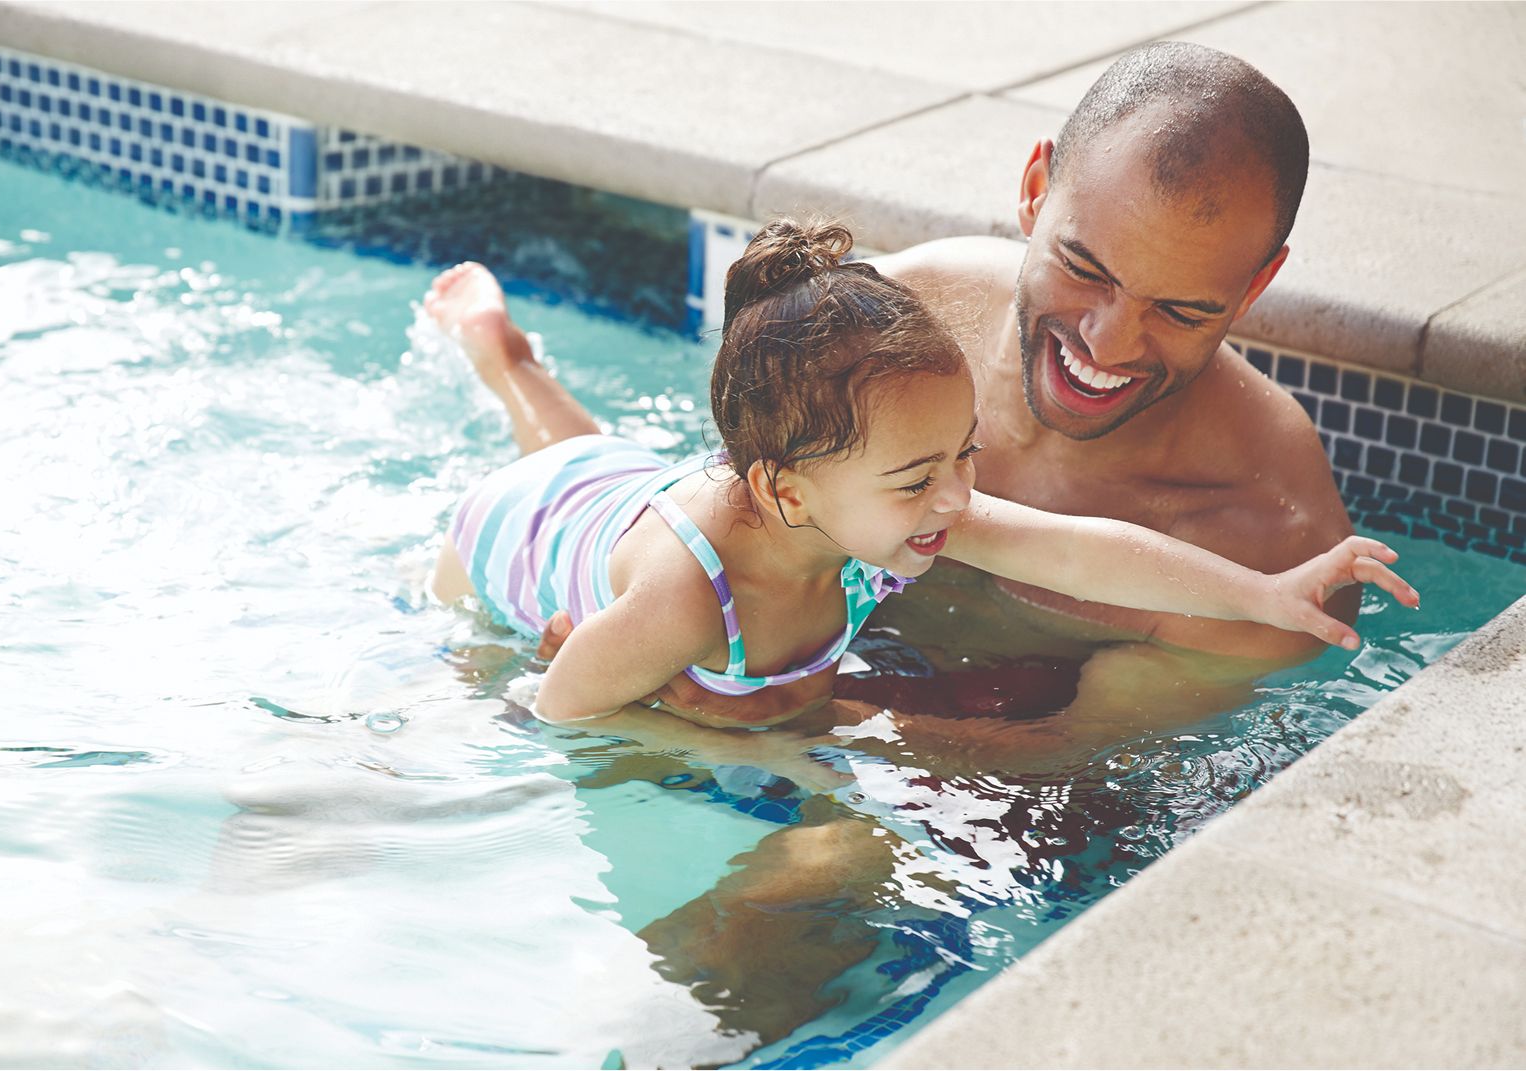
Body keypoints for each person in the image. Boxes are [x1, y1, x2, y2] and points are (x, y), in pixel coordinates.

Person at [420, 41, 1364, 1048]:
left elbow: (1063, 763)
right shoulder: (907, 333)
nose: (1107, 343)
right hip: (572, 548)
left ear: (1257, 283)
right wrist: (720, 721)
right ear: (1034, 192)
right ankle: (508, 364)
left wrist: (798, 721)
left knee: (806, 901)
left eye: (1181, 310)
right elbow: (588, 661)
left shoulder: (1266, 539)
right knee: (651, 525)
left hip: (832, 671)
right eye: (1083, 268)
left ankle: (503, 359)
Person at [429, 219, 1415, 726]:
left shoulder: (876, 505)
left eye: (963, 457)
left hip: (624, 494)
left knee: (600, 462)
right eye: (916, 478)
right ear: (786, 491)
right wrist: (696, 731)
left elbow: (1085, 557)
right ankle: (504, 362)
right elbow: (550, 720)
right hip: (507, 536)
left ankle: (505, 358)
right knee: (549, 503)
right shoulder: (680, 608)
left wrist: (1267, 594)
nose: (956, 497)